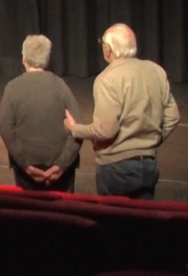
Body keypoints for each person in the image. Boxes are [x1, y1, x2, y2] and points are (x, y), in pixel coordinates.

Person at [64, 24, 180, 199]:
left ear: (108, 49)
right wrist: (149, 143)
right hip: (148, 166)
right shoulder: (155, 71)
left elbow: (106, 130)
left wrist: (75, 129)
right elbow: (173, 116)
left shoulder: (106, 79)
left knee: (114, 223)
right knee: (144, 222)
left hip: (115, 169)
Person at [1, 35, 82, 192]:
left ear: (24, 58)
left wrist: (25, 164)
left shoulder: (13, 87)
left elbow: (6, 131)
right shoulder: (60, 85)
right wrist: (62, 164)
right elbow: (78, 127)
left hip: (27, 171)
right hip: (59, 171)